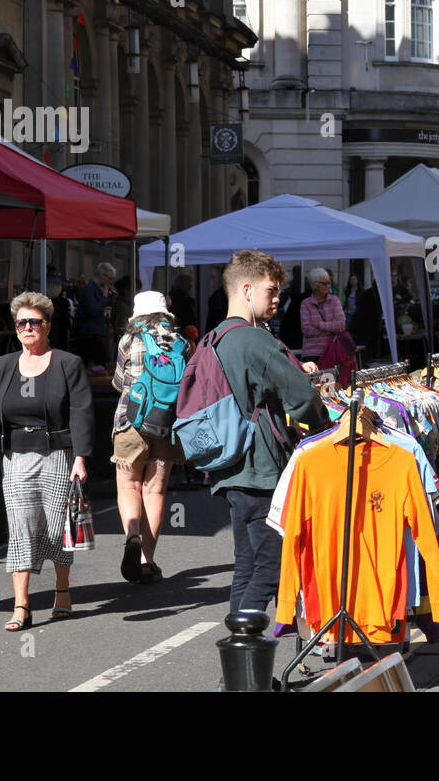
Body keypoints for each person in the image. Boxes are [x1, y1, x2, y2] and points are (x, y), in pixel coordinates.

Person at [211, 250, 328, 614]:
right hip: (262, 470)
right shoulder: (255, 340)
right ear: (247, 290)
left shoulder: (215, 337)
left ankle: (239, 670)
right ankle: (242, 649)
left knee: (246, 567)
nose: (277, 299)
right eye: (271, 290)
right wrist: (327, 429)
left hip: (230, 465)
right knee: (272, 567)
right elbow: (304, 398)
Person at [0, 292, 93, 630]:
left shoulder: (68, 363)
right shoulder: (3, 366)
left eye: (35, 322)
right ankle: (22, 605)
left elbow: (80, 412)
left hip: (58, 454)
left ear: (47, 326)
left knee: (54, 527)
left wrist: (80, 457)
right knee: (21, 528)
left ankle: (61, 590)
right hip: (16, 456)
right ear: (15, 327)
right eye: (22, 322)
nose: (28, 327)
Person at [111, 291, 194, 584]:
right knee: (154, 492)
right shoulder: (182, 343)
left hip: (130, 421)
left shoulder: (128, 341)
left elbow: (119, 382)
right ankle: (147, 560)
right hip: (167, 425)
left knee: (128, 485)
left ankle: (132, 535)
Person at [73, 262, 116, 371]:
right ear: (103, 275)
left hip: (94, 332)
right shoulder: (90, 289)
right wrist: (105, 297)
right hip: (88, 333)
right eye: (110, 278)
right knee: (101, 362)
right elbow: (93, 310)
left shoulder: (96, 289)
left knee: (99, 363)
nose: (111, 282)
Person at [299, 267, 346, 362]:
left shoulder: (335, 300)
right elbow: (306, 330)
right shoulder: (305, 303)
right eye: (324, 283)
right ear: (313, 285)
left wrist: (318, 325)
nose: (328, 286)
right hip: (312, 354)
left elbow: (341, 326)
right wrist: (331, 326)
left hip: (333, 351)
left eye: (329, 283)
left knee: (332, 377)